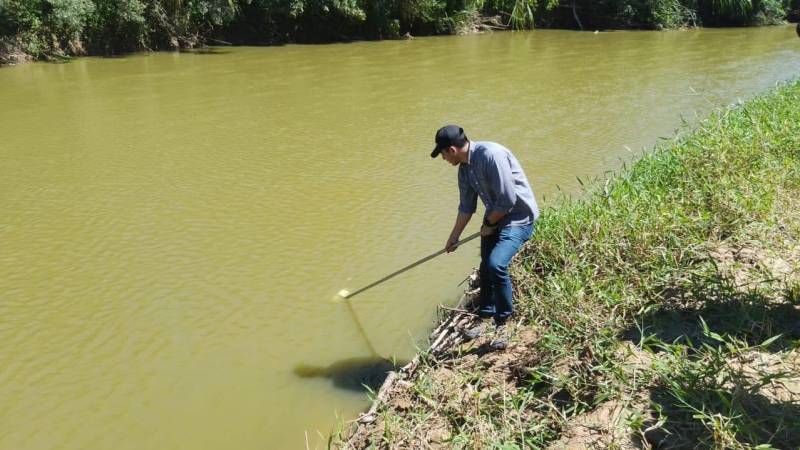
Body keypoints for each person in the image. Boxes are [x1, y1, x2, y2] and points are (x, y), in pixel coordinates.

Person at [431, 125, 539, 350]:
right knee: (485, 266)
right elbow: (466, 207)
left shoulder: (491, 155)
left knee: (496, 264)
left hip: (518, 218)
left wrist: (489, 224)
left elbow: (508, 200)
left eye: (442, 154)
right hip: (495, 217)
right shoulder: (464, 170)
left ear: (452, 149)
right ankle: (486, 315)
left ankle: (504, 323)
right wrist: (454, 238)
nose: (443, 159)